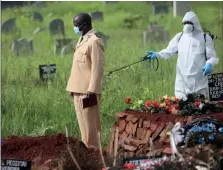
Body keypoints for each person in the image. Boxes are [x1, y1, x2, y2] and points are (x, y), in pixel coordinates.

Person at [145, 11, 219, 100]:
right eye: (185, 23)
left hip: (199, 81)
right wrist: (157, 54)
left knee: (200, 107)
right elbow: (169, 51)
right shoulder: (179, 37)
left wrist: (210, 64)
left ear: (195, 23)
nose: (186, 25)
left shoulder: (205, 38)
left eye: (189, 23)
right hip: (182, 82)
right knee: (181, 107)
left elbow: (212, 56)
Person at [66, 12, 105, 149]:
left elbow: (97, 67)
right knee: (84, 127)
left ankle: (94, 156)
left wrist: (92, 90)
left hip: (87, 92)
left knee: (91, 129)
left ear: (85, 25)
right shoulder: (83, 38)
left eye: (76, 25)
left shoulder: (94, 41)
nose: (75, 28)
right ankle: (89, 155)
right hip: (78, 89)